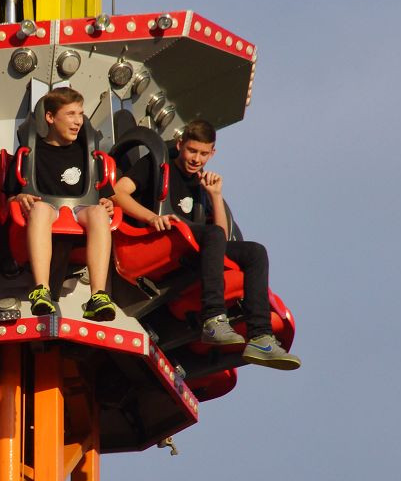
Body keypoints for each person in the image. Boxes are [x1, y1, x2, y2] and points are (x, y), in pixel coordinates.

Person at [110, 118, 300, 370]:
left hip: (193, 242)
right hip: (156, 236)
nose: (196, 159)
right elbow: (118, 192)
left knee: (255, 252)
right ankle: (213, 318)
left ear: (212, 153)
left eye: (203, 153)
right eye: (191, 151)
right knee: (211, 235)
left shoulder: (201, 183)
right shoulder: (157, 166)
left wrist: (215, 195)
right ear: (180, 145)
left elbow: (220, 235)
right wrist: (152, 217)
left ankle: (260, 337)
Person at [7, 87, 117, 321]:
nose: (78, 122)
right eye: (70, 114)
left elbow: (105, 195)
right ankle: (41, 289)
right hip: (46, 210)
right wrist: (19, 197)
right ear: (50, 117)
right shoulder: (28, 154)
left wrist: (107, 203)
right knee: (39, 208)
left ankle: (98, 295)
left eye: (80, 114)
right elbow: (9, 195)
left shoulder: (88, 154)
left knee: (98, 213)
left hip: (81, 209)